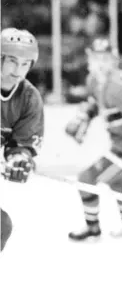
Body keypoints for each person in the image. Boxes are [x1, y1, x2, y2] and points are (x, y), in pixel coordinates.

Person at [65, 38, 122, 241]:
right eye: (96, 58)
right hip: (117, 145)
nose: (100, 63)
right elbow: (96, 103)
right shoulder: (94, 81)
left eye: (105, 58)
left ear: (114, 61)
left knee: (86, 179)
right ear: (89, 59)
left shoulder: (118, 87)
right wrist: (83, 118)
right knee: (117, 183)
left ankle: (93, 228)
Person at [1, 28, 44, 251]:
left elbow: (22, 144)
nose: (18, 70)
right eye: (12, 61)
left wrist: (19, 158)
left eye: (26, 64)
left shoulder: (29, 98)